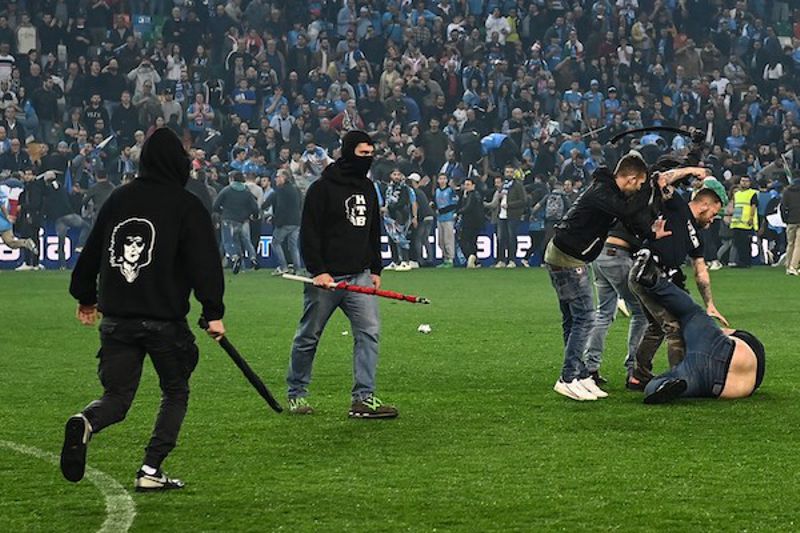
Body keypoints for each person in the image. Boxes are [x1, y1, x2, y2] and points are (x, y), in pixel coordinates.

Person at [61, 128, 226, 491]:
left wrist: (85, 297)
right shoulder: (187, 205)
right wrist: (213, 311)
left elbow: (91, 254)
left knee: (116, 399)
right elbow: (205, 264)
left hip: (117, 319)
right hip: (164, 321)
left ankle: (86, 421)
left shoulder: (119, 200)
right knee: (175, 390)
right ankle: (151, 469)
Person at [545, 151, 704, 401]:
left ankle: (581, 374)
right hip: (568, 257)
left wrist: (652, 235)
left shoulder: (608, 192)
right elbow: (628, 212)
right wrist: (659, 181)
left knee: (575, 319)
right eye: (639, 184)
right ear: (630, 179)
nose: (639, 190)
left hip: (568, 255)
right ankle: (568, 377)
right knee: (585, 318)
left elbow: (630, 219)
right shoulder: (603, 193)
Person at [286, 130, 397, 419]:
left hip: (360, 276)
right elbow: (309, 234)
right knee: (309, 336)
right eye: (363, 154)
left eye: (371, 154)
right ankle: (296, 393)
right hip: (327, 279)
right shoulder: (322, 188)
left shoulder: (368, 188)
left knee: (369, 334)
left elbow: (374, 230)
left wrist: (376, 269)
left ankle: (363, 397)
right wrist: (319, 271)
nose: (368, 159)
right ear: (348, 153)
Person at [630, 250, 765, 404]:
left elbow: (721, 331)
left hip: (714, 376)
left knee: (693, 313)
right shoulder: (738, 341)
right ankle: (655, 283)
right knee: (691, 315)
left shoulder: (703, 346)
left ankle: (654, 282)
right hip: (731, 387)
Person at [629, 186, 729, 389]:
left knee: (657, 326)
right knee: (673, 326)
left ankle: (639, 376)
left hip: (655, 276)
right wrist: (692, 170)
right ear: (704, 205)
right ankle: (680, 377)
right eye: (713, 214)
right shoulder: (677, 207)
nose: (712, 219)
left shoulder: (697, 238)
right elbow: (662, 180)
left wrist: (709, 304)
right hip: (648, 272)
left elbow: (701, 271)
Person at [582, 224, 648, 386]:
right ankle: (634, 370)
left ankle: (590, 368)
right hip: (618, 254)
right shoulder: (641, 205)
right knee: (641, 313)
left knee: (603, 313)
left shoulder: (614, 204)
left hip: (600, 254)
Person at [212, 171, 260, 274]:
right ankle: (244, 264)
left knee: (227, 241)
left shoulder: (226, 190)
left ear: (232, 179)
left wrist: (222, 212)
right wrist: (253, 216)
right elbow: (255, 207)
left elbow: (215, 205)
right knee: (238, 241)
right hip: (241, 221)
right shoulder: (246, 191)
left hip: (227, 219)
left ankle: (234, 258)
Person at [264, 169, 303, 275]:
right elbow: (300, 204)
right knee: (293, 246)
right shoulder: (296, 189)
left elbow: (281, 207)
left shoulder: (281, 190)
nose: (276, 179)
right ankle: (298, 269)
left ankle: (283, 266)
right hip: (296, 221)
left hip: (285, 222)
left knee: (275, 243)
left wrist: (275, 220)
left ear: (284, 178)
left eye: (278, 176)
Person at [494, 166, 527, 268]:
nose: (509, 174)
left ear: (514, 174)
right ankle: (501, 260)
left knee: (511, 238)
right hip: (501, 215)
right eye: (507, 172)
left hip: (512, 215)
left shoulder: (518, 185)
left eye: (511, 172)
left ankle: (511, 260)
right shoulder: (503, 185)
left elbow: (523, 200)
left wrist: (510, 205)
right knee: (500, 238)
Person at [383, 168, 414, 271]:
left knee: (401, 238)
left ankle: (406, 261)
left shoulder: (405, 188)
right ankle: (395, 261)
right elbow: (387, 201)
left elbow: (403, 202)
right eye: (394, 174)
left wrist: (389, 208)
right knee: (392, 238)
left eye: (398, 174)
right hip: (390, 216)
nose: (396, 176)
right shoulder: (389, 188)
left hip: (401, 215)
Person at [729, 176, 759, 268]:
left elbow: (753, 207)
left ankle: (746, 262)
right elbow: (734, 207)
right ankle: (740, 262)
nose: (744, 183)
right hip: (736, 222)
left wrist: (751, 218)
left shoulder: (752, 193)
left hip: (746, 222)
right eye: (743, 181)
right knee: (738, 244)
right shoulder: (736, 194)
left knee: (746, 244)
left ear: (750, 183)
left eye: (746, 181)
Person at [457, 176, 485, 268]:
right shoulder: (477, 194)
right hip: (477, 222)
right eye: (465, 184)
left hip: (469, 222)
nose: (466, 186)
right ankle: (475, 261)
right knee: (473, 242)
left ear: (473, 185)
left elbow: (468, 207)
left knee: (463, 240)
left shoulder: (471, 195)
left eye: (468, 184)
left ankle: (471, 257)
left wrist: (458, 212)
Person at [408, 173, 434, 268]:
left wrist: (415, 217)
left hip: (423, 217)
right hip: (430, 216)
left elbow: (416, 205)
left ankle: (420, 260)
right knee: (425, 239)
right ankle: (430, 259)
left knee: (418, 239)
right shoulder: (421, 191)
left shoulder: (413, 192)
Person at [434, 173, 458, 268]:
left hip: (448, 218)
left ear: (447, 180)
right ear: (438, 180)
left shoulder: (450, 191)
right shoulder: (437, 191)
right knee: (441, 240)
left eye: (444, 178)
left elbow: (453, 205)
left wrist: (441, 211)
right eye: (440, 178)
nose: (442, 180)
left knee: (448, 239)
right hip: (440, 219)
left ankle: (450, 259)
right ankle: (445, 258)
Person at [781, 176, 800, 276]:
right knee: (798, 245)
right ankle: (793, 266)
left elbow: (783, 207)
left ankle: (788, 266)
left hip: (790, 221)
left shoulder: (787, 191)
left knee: (790, 244)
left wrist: (785, 219)